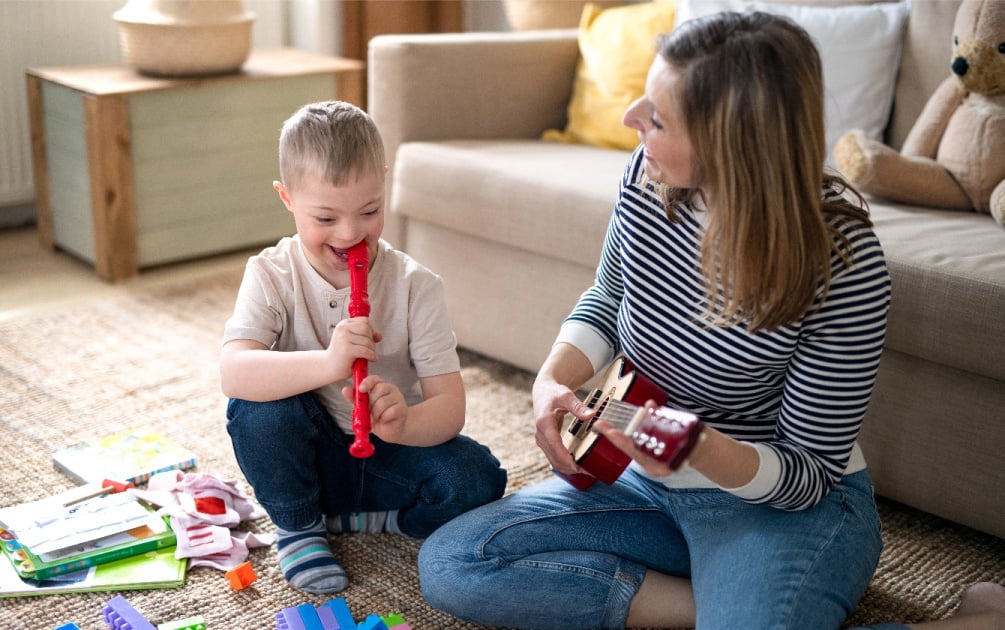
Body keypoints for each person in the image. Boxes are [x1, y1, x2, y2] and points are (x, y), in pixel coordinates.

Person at [417, 12, 1005, 630]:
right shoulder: (649, 175)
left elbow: (805, 477)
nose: (631, 119)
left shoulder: (842, 265)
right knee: (456, 562)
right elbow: (611, 295)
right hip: (645, 484)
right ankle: (725, 611)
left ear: (732, 145)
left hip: (775, 504)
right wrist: (549, 381)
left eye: (659, 118)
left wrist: (699, 449)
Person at [220, 100, 507, 595]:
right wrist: (329, 363)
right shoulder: (270, 274)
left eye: (369, 211)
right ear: (286, 198)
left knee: (476, 477)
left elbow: (450, 406)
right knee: (257, 411)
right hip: (306, 456)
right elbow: (234, 372)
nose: (351, 234)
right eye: (325, 217)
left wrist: (404, 423)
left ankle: (370, 519)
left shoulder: (418, 286)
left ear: (384, 185)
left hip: (387, 456)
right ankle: (300, 525)